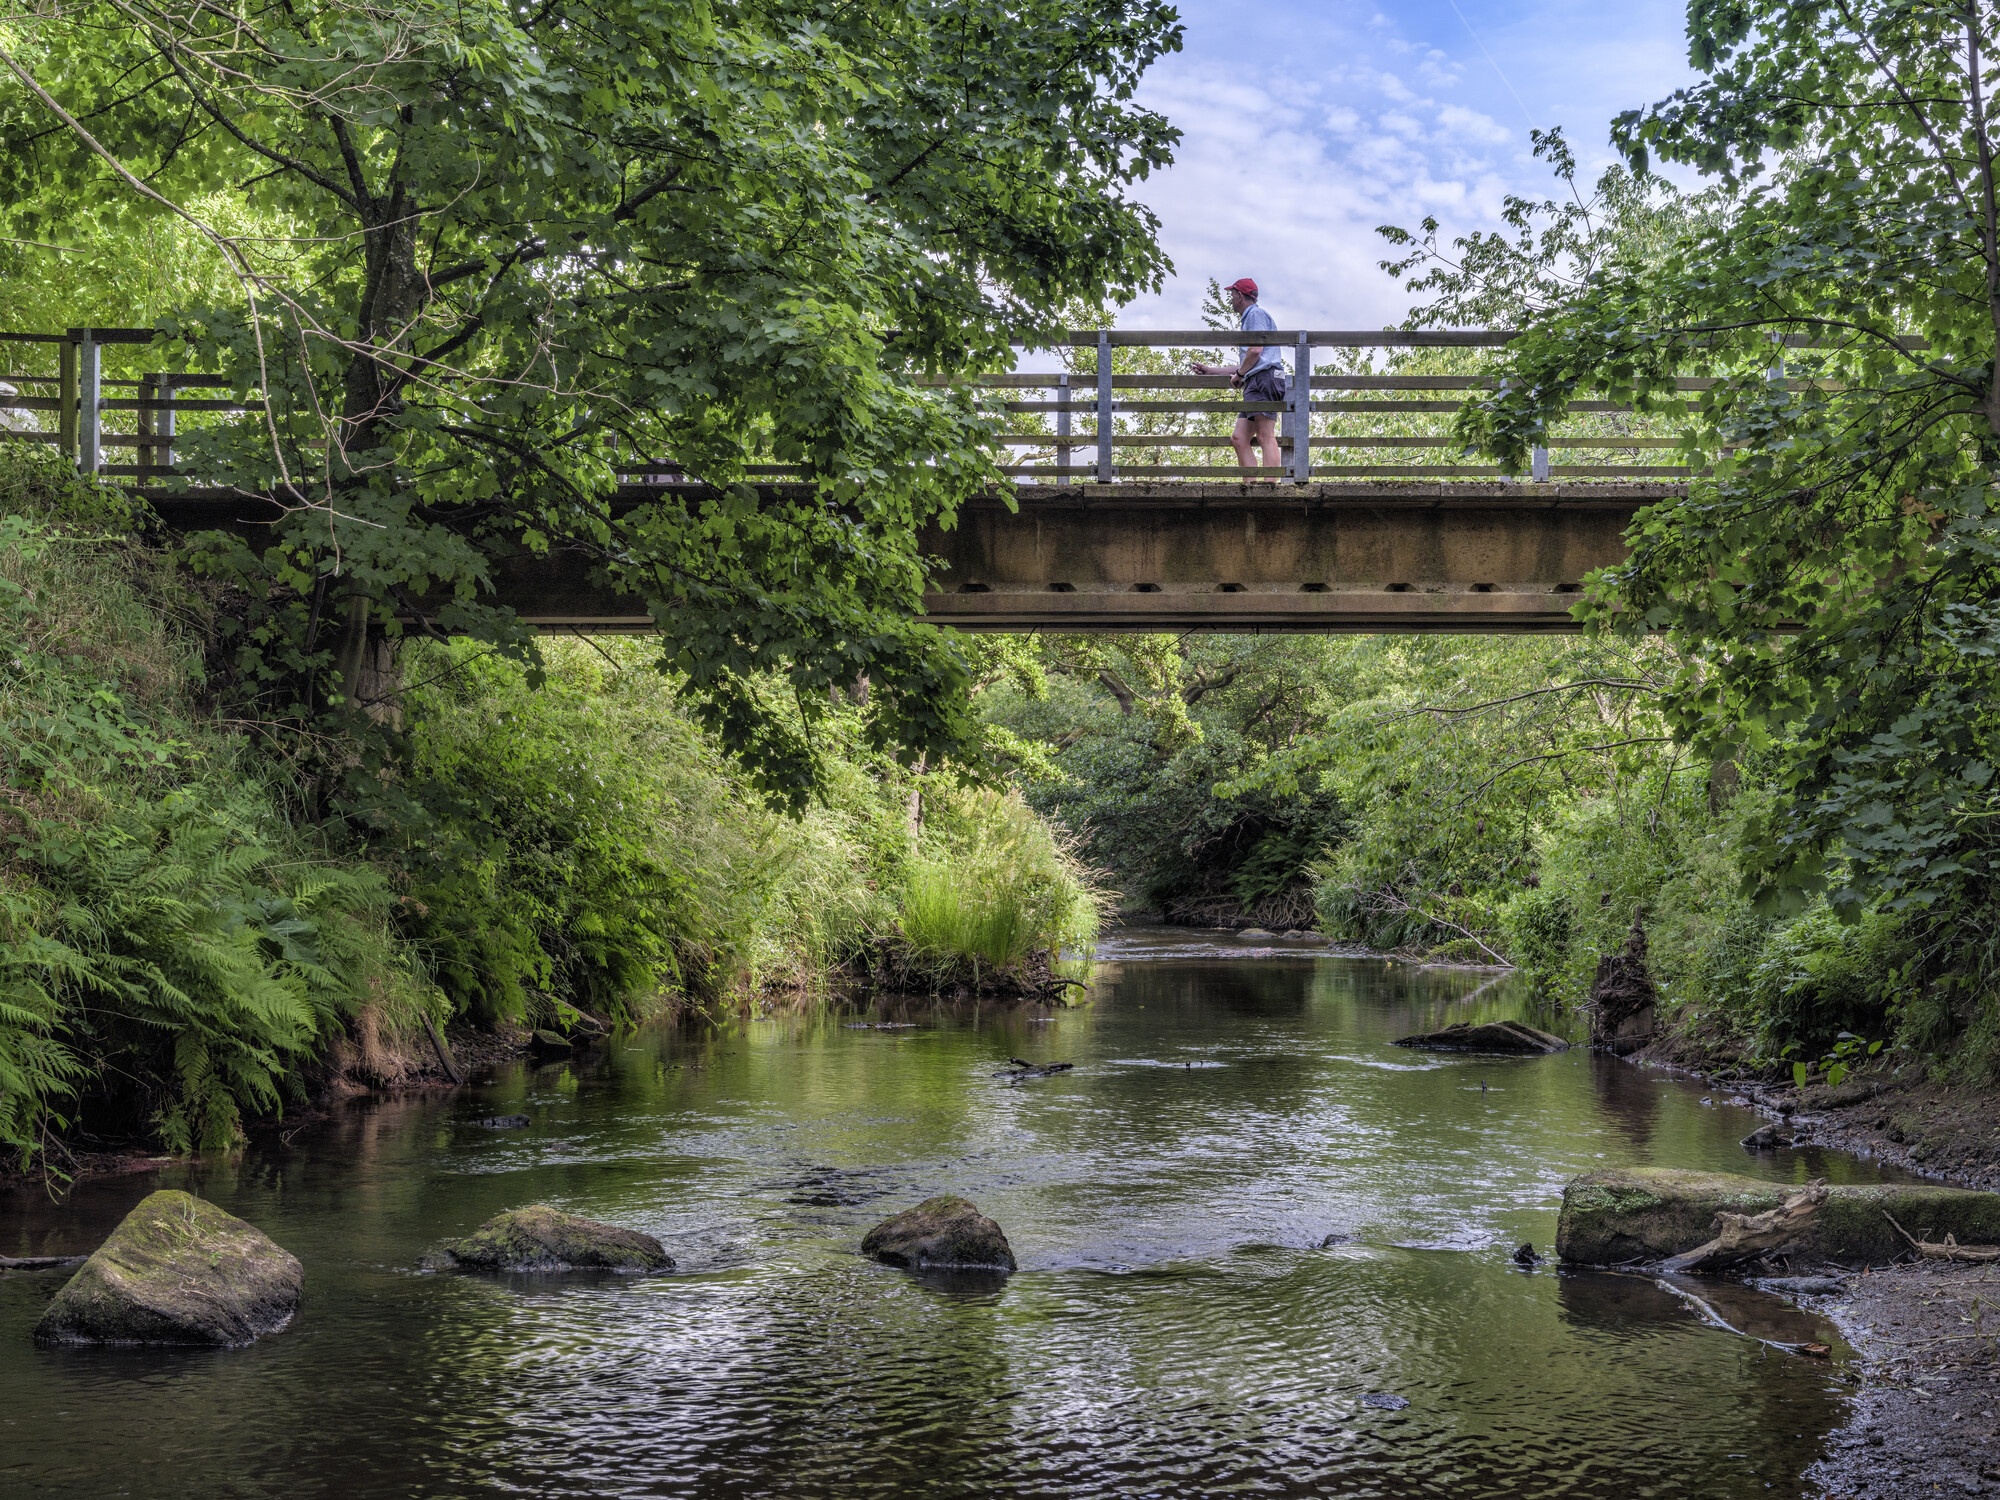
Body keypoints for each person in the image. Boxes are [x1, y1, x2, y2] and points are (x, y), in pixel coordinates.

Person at [1194, 278, 1286, 470]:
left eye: (1233, 294)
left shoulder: (1255, 314)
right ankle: (1251, 486)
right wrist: (1211, 371)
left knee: (1264, 435)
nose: (1231, 298)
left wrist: (1239, 375)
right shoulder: (1250, 318)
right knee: (1239, 438)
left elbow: (1255, 350)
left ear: (1241, 296)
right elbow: (1249, 361)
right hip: (1256, 380)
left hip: (1264, 379)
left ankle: (1270, 487)